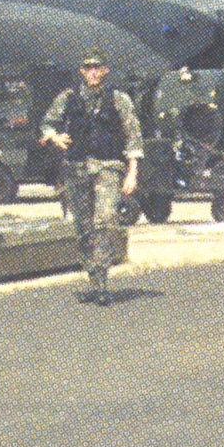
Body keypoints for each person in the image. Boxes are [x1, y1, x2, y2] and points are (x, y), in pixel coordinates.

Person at [40, 51, 143, 304]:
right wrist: (55, 137)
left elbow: (133, 136)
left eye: (98, 68)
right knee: (84, 228)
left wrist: (132, 172)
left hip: (107, 166)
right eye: (88, 68)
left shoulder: (118, 99)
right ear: (82, 72)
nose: (93, 72)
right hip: (76, 169)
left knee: (105, 219)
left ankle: (103, 279)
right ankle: (95, 275)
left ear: (106, 70)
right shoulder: (68, 98)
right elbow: (46, 123)